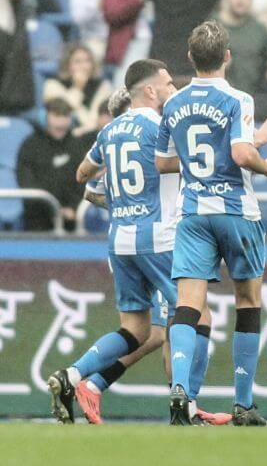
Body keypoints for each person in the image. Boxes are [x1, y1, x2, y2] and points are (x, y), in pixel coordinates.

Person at [46, 59, 205, 424]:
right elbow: (193, 162)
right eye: (167, 83)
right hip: (159, 237)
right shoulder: (163, 127)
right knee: (189, 311)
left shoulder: (110, 130)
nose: (172, 89)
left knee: (136, 329)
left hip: (120, 240)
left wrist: (118, 198)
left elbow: (83, 175)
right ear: (150, 90)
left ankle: (72, 376)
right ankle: (183, 399)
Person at [155, 21, 267, 426]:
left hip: (193, 212)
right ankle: (243, 403)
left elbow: (162, 162)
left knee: (188, 305)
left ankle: (181, 390)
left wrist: (198, 164)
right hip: (236, 210)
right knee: (247, 301)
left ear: (190, 58)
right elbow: (242, 155)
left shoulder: (173, 103)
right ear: (227, 56)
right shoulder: (237, 98)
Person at [16, 98, 91, 232]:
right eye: (56, 116)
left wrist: (73, 208)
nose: (61, 123)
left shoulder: (78, 146)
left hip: (72, 222)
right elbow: (26, 181)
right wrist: (53, 209)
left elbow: (85, 181)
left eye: (65, 116)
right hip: (37, 221)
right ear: (46, 117)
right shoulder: (31, 146)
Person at [216, 0, 267, 98]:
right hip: (220, 96)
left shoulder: (259, 29)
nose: (240, 0)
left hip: (254, 97)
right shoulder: (212, 27)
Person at [43, 43, 114, 138]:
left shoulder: (103, 87)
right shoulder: (52, 85)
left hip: (92, 137)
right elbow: (64, 109)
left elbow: (95, 122)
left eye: (87, 61)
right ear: (68, 65)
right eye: (77, 62)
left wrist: (78, 132)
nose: (83, 66)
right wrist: (78, 87)